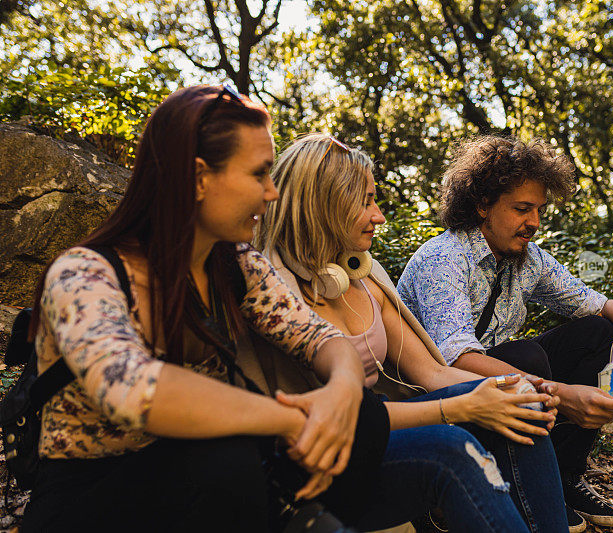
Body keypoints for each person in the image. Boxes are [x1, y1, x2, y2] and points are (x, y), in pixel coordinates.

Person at [20, 87, 535, 533]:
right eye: (260, 174)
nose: (271, 193)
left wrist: (339, 394)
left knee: (423, 447)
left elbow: (320, 339)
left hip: (224, 477)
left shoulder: (235, 264)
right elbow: (133, 389)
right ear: (199, 177)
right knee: (233, 458)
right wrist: (289, 420)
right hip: (101, 498)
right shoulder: (84, 275)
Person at [254, 133, 570, 532]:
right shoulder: (271, 296)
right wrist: (463, 406)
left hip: (378, 425)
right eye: (365, 201)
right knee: (449, 450)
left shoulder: (363, 279)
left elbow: (433, 373)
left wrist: (520, 388)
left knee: (520, 401)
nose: (379, 215)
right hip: (328, 454)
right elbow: (335, 421)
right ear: (324, 205)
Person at [397, 136, 613, 533]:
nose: (533, 222)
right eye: (521, 209)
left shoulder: (527, 257)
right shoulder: (442, 259)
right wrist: (559, 394)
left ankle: (564, 479)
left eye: (538, 210)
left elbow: (593, 302)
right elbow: (457, 358)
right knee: (528, 358)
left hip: (502, 386)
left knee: (596, 332)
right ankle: (518, 493)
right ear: (482, 204)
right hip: (439, 400)